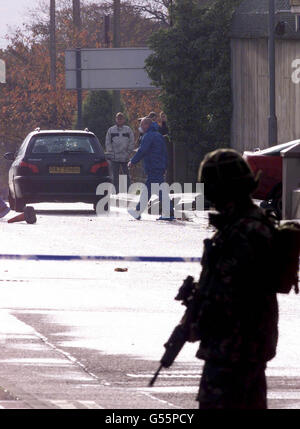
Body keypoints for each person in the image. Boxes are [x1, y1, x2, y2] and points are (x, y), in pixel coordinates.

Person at [192, 148, 279, 409]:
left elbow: (235, 292)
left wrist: (201, 311)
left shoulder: (243, 231)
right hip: (245, 348)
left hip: (233, 350)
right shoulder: (245, 225)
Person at [128, 117, 174, 220]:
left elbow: (142, 150)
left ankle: (168, 212)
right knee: (149, 190)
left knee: (157, 191)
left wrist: (132, 161)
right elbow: (165, 153)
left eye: (142, 124)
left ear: (147, 125)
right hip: (159, 167)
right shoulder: (159, 136)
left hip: (153, 167)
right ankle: (138, 211)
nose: (140, 127)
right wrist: (165, 166)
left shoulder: (148, 136)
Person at [105, 112, 135, 193]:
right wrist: (111, 153)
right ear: (116, 119)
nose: (119, 120)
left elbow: (132, 141)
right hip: (115, 157)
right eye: (118, 118)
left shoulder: (128, 130)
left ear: (124, 120)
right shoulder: (111, 130)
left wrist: (128, 152)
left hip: (125, 157)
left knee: (127, 175)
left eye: (121, 118)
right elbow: (108, 142)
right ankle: (116, 191)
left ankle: (128, 191)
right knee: (115, 176)